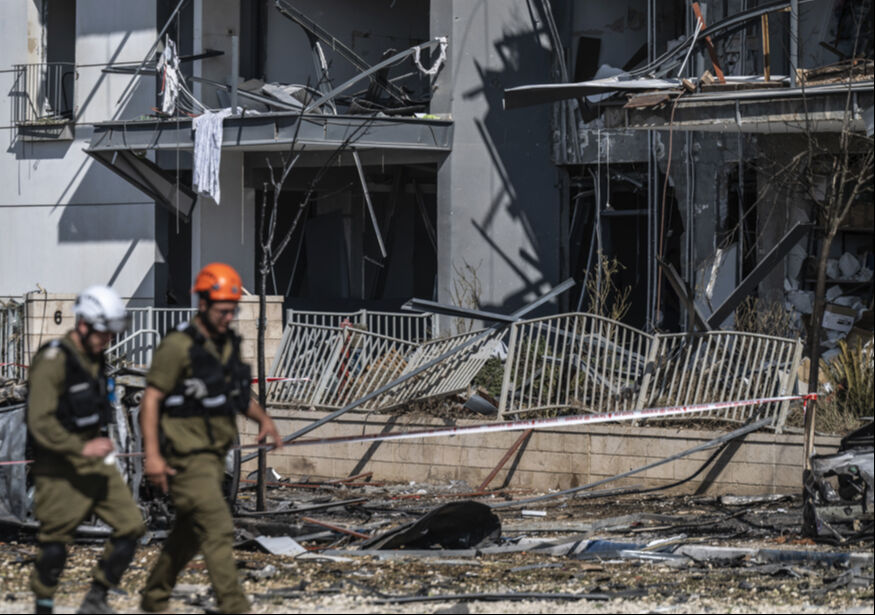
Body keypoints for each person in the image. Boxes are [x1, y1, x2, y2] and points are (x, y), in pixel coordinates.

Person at [139, 263, 283, 614]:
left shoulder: (224, 347)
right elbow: (151, 400)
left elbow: (235, 394)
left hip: (214, 456)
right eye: (223, 310)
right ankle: (234, 606)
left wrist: (264, 419)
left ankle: (155, 596)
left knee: (188, 533)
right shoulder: (177, 346)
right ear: (203, 304)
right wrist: (153, 455)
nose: (228, 317)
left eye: (233, 310)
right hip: (184, 458)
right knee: (218, 527)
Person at [27, 285, 145, 615]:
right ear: (83, 324)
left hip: (97, 467)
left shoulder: (95, 359)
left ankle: (96, 598)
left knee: (131, 525)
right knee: (54, 546)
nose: (109, 338)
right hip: (60, 466)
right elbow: (39, 422)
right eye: (104, 331)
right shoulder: (53, 361)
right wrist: (81, 446)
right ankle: (44, 606)